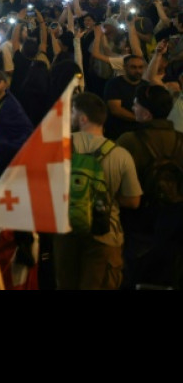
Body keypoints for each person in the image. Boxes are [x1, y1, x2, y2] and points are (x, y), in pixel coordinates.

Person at [55, 92, 141, 290]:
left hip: (65, 229)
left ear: (82, 118)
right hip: (105, 234)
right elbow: (134, 201)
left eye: (72, 112)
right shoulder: (120, 154)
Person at [115, 84, 183, 288]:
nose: (133, 108)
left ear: (146, 113)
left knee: (136, 276)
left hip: (139, 225)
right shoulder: (181, 140)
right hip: (176, 225)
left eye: (135, 105)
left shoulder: (128, 141)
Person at [103, 54, 147, 140]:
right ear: (125, 68)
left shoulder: (145, 85)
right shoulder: (114, 84)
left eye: (140, 67)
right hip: (118, 131)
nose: (138, 71)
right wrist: (139, 119)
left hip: (140, 133)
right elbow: (116, 110)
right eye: (133, 67)